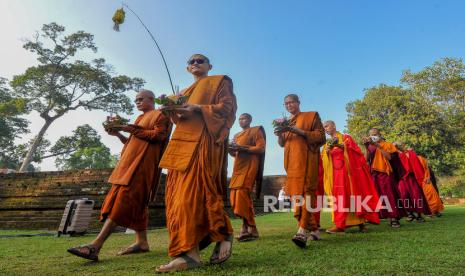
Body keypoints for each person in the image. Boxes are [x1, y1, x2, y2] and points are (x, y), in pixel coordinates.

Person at [155, 54, 237, 272]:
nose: (195, 63)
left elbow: (227, 108)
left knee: (194, 194)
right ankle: (191, 251)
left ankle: (197, 248)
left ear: (210, 65)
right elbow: (178, 120)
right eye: (191, 61)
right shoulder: (181, 93)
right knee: (176, 199)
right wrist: (171, 113)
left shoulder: (219, 81)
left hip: (203, 141)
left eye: (200, 60)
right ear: (186, 68)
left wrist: (198, 108)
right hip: (180, 145)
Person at [67, 90, 171, 261]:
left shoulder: (161, 114)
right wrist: (119, 134)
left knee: (123, 201)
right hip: (128, 166)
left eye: (140, 99)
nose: (137, 102)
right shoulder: (139, 119)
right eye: (135, 100)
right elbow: (133, 143)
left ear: (151, 100)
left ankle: (95, 246)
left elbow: (158, 136)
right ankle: (142, 242)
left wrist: (128, 128)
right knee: (137, 203)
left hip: (142, 166)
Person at [274, 94, 326, 248]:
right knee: (297, 195)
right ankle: (315, 230)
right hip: (291, 164)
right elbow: (282, 143)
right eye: (286, 103)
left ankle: (302, 230)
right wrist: (279, 135)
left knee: (307, 193)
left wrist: (298, 131)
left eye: (291, 102)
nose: (289, 105)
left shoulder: (311, 116)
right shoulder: (287, 122)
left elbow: (321, 137)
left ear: (298, 102)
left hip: (307, 160)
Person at [322, 121, 380, 234]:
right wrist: (327, 152)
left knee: (354, 195)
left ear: (334, 125)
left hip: (348, 172)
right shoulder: (327, 143)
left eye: (327, 126)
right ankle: (340, 224)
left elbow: (357, 151)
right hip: (336, 174)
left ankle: (361, 223)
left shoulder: (345, 137)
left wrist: (344, 146)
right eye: (324, 127)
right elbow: (324, 158)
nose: (325, 129)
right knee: (339, 199)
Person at [228, 113, 266, 242]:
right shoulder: (237, 135)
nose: (241, 121)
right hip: (238, 167)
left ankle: (250, 227)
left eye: (244, 118)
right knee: (234, 197)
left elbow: (260, 148)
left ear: (250, 120)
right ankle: (247, 227)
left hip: (250, 165)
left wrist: (242, 147)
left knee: (242, 194)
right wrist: (230, 150)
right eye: (240, 119)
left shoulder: (256, 130)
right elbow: (235, 153)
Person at [362, 128, 404, 228]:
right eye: (371, 135)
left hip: (385, 173)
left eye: (375, 134)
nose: (373, 136)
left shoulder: (388, 145)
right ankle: (381, 216)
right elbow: (366, 160)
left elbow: (389, 158)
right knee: (378, 197)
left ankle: (394, 218)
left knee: (389, 196)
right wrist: (366, 147)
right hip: (374, 174)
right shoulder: (371, 146)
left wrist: (378, 146)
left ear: (380, 135)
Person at [391, 142, 430, 222]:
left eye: (399, 145)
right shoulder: (394, 155)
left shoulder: (410, 153)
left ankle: (419, 215)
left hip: (411, 178)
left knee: (416, 196)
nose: (397, 146)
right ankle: (409, 213)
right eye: (395, 145)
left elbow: (415, 165)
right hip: (401, 179)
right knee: (404, 196)